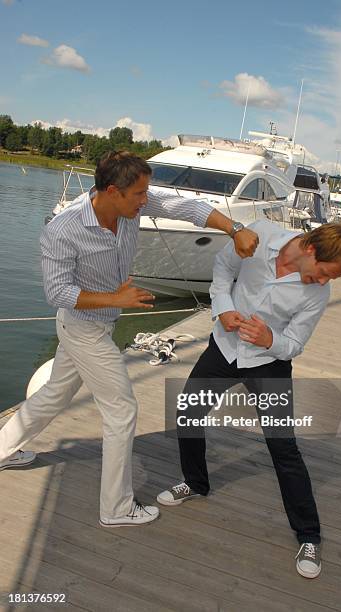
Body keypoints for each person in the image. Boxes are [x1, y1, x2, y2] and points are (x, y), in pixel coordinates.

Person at [0, 151, 258, 528]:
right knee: (122, 412)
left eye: (145, 192)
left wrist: (234, 229)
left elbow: (187, 208)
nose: (145, 200)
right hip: (82, 327)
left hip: (96, 324)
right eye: (138, 194)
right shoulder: (64, 228)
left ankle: (3, 449)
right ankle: (116, 508)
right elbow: (57, 293)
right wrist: (116, 299)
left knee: (55, 394)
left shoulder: (132, 204)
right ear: (111, 191)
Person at [158, 219, 341, 578]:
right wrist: (222, 306)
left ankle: (309, 535)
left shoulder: (317, 294)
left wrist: (270, 340)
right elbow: (223, 267)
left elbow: (294, 344)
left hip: (268, 364)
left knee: (284, 448)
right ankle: (196, 483)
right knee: (188, 414)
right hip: (224, 347)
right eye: (325, 273)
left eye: (332, 279)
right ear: (310, 249)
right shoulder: (259, 235)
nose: (325, 283)